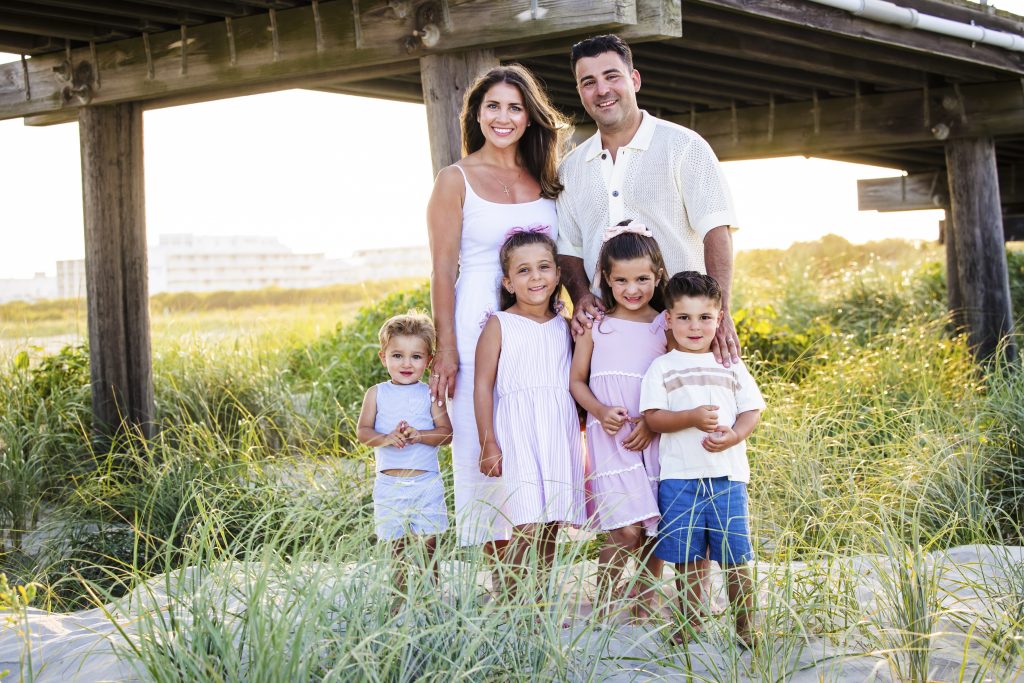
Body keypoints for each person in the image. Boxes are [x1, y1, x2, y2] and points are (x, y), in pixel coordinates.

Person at [426, 64, 570, 550]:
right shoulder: (454, 179)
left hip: (540, 328)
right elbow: (443, 271)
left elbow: (564, 259)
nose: (503, 116)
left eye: (515, 107)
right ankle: (503, 592)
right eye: (493, 106)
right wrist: (445, 348)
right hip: (475, 325)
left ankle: (538, 583)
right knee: (483, 447)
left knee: (541, 440)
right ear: (477, 114)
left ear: (530, 117)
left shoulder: (548, 180)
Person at [555, 33, 741, 367]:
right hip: (611, 341)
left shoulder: (684, 146)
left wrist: (721, 312)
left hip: (685, 334)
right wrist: (581, 295)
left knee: (697, 417)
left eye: (612, 76)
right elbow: (569, 248)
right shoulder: (571, 168)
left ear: (634, 79)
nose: (602, 90)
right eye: (588, 82)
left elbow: (717, 231)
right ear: (580, 92)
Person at [640, 272, 765, 647]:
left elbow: (751, 410)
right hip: (679, 479)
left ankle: (746, 627)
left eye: (704, 318)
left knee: (734, 557)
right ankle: (690, 621)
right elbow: (653, 417)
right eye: (684, 318)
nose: (695, 327)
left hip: (727, 476)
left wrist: (735, 436)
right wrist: (691, 418)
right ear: (668, 320)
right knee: (688, 559)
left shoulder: (729, 364)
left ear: (719, 318)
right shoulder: (662, 367)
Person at [474, 228, 586, 592]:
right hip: (518, 431)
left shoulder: (567, 326)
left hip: (557, 428)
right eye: (523, 271)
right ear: (508, 282)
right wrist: (488, 443)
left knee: (552, 520)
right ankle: (518, 600)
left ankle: (542, 598)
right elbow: (482, 386)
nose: (535, 277)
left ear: (557, 274)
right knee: (526, 521)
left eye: (543, 267)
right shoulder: (499, 324)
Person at [568, 220, 669, 617]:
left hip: (653, 435)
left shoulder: (666, 325)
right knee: (624, 528)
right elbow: (577, 381)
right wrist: (599, 410)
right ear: (606, 279)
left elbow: (671, 383)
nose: (632, 289)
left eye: (642, 278)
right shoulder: (597, 326)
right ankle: (605, 596)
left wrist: (652, 423)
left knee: (653, 525)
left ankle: (644, 597)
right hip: (609, 437)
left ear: (657, 275)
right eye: (621, 280)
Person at [356, 312, 453, 598]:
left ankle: (429, 598)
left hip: (425, 483)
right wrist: (385, 438)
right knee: (394, 545)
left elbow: (447, 433)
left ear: (429, 359)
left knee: (428, 546)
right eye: (397, 355)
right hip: (389, 485)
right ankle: (398, 599)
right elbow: (363, 432)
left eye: (416, 356)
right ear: (382, 357)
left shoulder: (430, 393)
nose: (406, 364)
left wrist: (420, 435)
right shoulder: (376, 394)